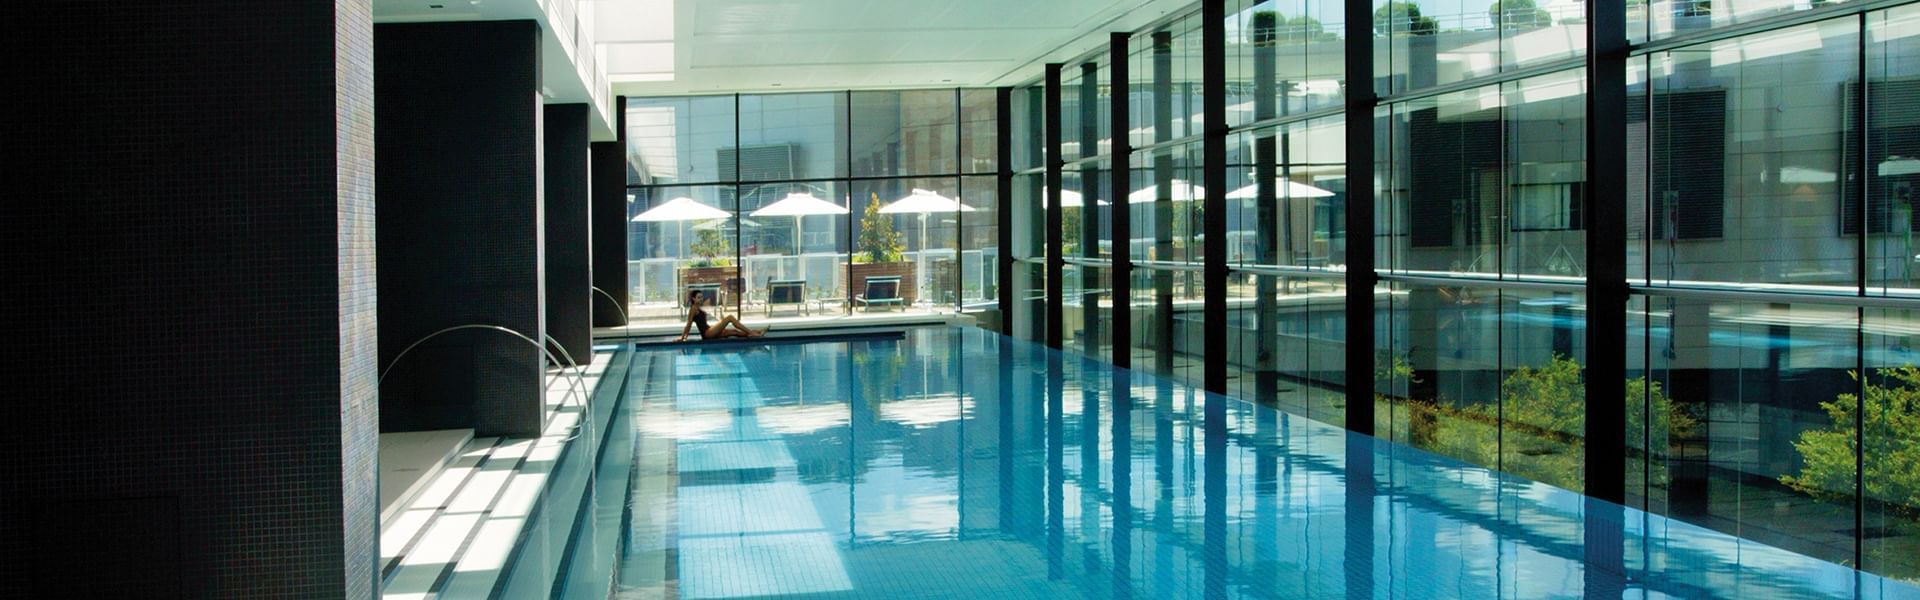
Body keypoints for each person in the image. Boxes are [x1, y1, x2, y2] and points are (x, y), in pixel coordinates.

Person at [677, 290, 765, 341]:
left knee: (733, 332)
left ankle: (757, 332)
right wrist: (683, 338)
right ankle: (752, 333)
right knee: (729, 317)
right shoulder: (693, 309)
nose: (701, 299)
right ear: (693, 298)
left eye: (701, 297)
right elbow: (688, 324)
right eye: (698, 297)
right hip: (707, 334)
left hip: (709, 330)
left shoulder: (697, 307)